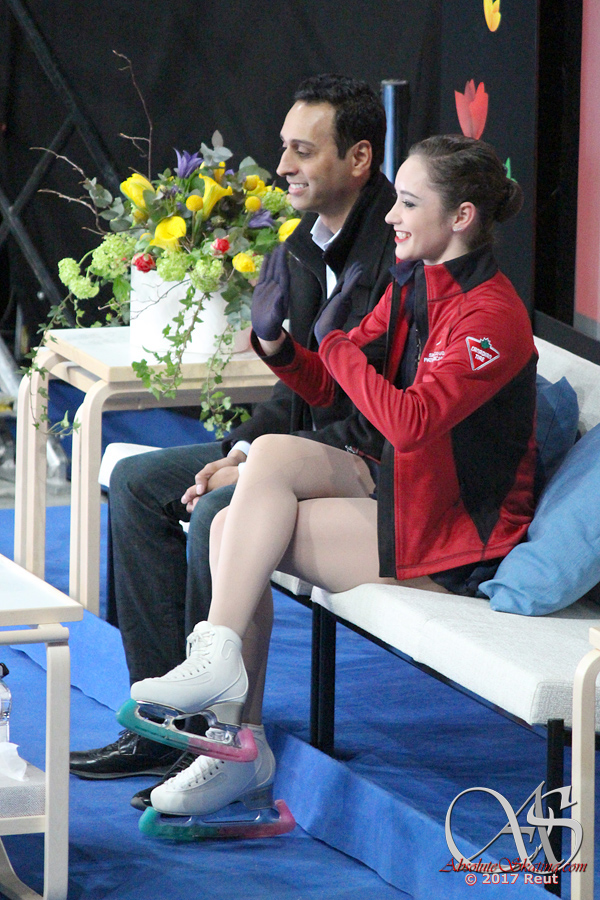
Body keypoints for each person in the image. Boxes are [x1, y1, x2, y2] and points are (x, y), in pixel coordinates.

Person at [127, 134, 538, 824]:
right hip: (401, 488)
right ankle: (223, 682)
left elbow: (409, 422)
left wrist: (338, 345)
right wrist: (281, 345)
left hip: (461, 536)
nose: (391, 216)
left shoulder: (491, 316)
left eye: (408, 203)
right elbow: (333, 388)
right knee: (258, 474)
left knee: (234, 529)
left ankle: (236, 741)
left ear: (461, 217)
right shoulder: (414, 281)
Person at [69, 73, 397, 794]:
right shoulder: (303, 241)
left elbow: (373, 413)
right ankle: (161, 726)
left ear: (359, 159)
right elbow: (299, 392)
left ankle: (214, 742)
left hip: (360, 462)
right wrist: (243, 448)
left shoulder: (395, 254)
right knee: (137, 482)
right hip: (298, 452)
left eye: (303, 151)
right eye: (284, 147)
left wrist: (250, 466)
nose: (282, 166)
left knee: (221, 506)